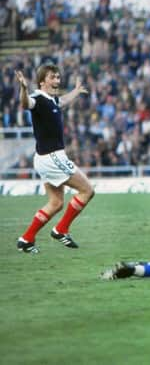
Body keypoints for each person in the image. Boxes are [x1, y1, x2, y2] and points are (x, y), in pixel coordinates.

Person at [16, 64, 95, 253]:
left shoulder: (51, 100)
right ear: (42, 81)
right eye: (53, 77)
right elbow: (26, 104)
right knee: (87, 191)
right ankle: (61, 229)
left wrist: (76, 91)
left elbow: (63, 101)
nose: (57, 81)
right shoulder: (37, 98)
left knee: (56, 203)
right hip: (52, 157)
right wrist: (23, 89)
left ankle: (26, 239)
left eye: (58, 77)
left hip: (44, 157)